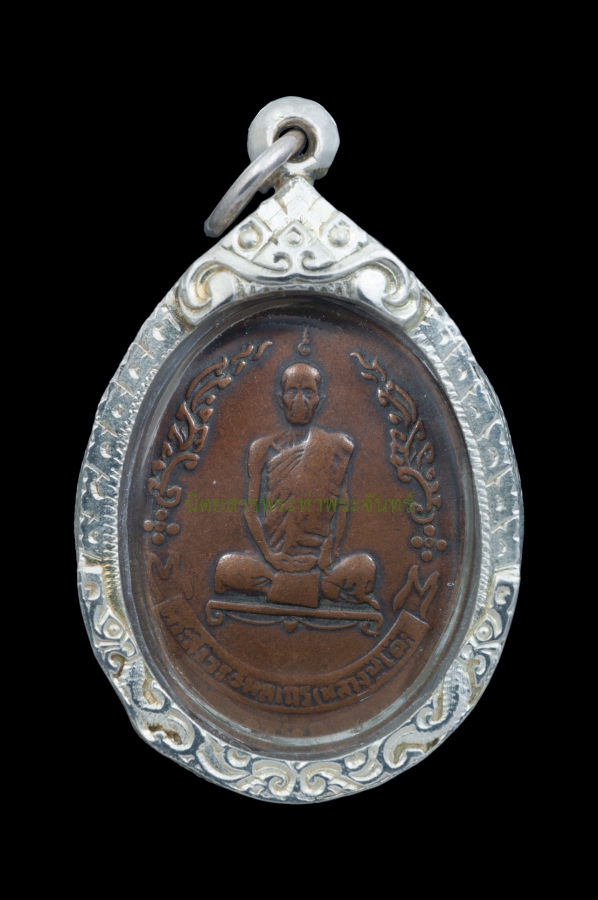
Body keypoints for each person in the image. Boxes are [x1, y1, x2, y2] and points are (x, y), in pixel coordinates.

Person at [214, 362, 377, 609]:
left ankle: (285, 588)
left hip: (318, 562)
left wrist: (330, 551)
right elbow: (250, 511)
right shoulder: (262, 448)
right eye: (292, 391)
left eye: (308, 392)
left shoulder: (336, 447)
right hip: (273, 561)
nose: (300, 401)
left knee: (365, 566)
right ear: (281, 399)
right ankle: (317, 589)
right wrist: (270, 556)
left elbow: (341, 505)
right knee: (226, 567)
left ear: (319, 400)